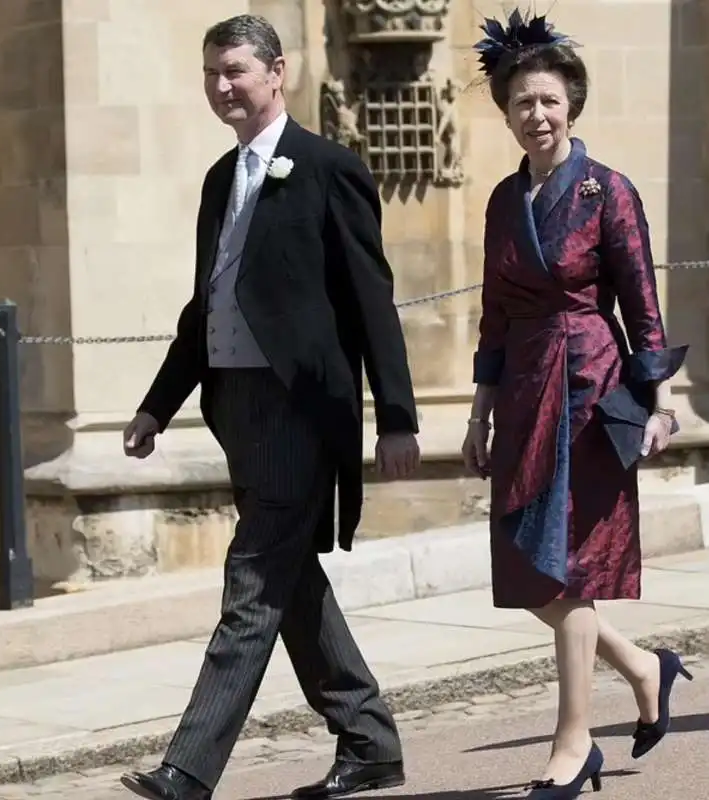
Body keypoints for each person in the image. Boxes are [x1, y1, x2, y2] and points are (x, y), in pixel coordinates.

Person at [119, 14, 420, 800]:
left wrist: (397, 416)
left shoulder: (328, 167)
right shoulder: (222, 179)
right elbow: (206, 305)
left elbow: (370, 301)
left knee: (251, 582)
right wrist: (157, 407)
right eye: (213, 72)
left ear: (276, 71)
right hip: (235, 405)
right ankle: (368, 737)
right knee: (290, 578)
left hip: (299, 407)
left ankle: (188, 769)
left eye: (236, 71)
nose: (223, 86)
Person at [462, 10, 693, 799]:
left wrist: (659, 406)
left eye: (550, 101)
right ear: (505, 113)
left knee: (569, 573)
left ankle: (572, 744)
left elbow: (643, 305)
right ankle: (642, 666)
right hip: (524, 389)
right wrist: (476, 412)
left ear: (572, 105)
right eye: (522, 102)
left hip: (591, 390)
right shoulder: (500, 201)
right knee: (528, 566)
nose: (537, 115)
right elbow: (492, 313)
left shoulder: (609, 192)